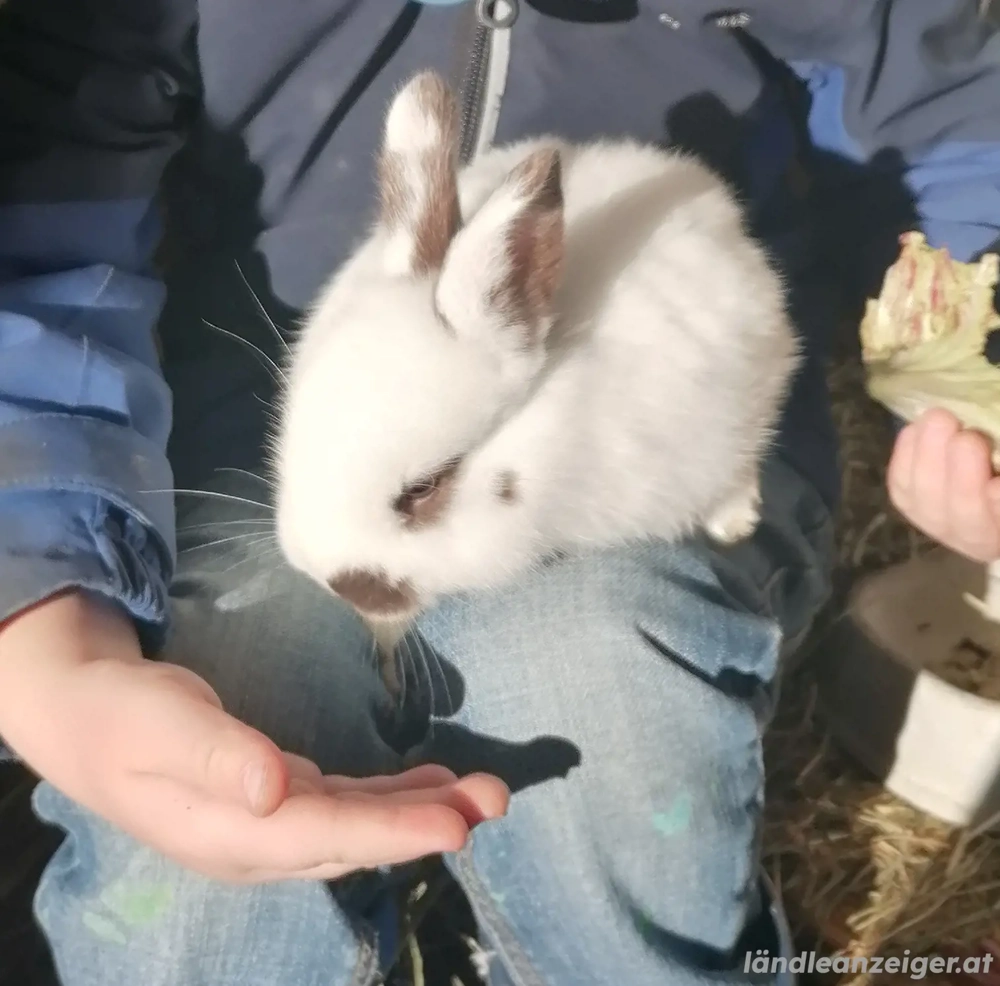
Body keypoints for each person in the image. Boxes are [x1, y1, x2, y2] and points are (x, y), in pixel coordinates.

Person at [0, 1, 997, 984]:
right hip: (269, 426)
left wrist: (970, 384)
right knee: (206, 813)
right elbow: (53, 189)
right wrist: (43, 623)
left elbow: (947, 112)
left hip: (661, 426)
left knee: (601, 696)